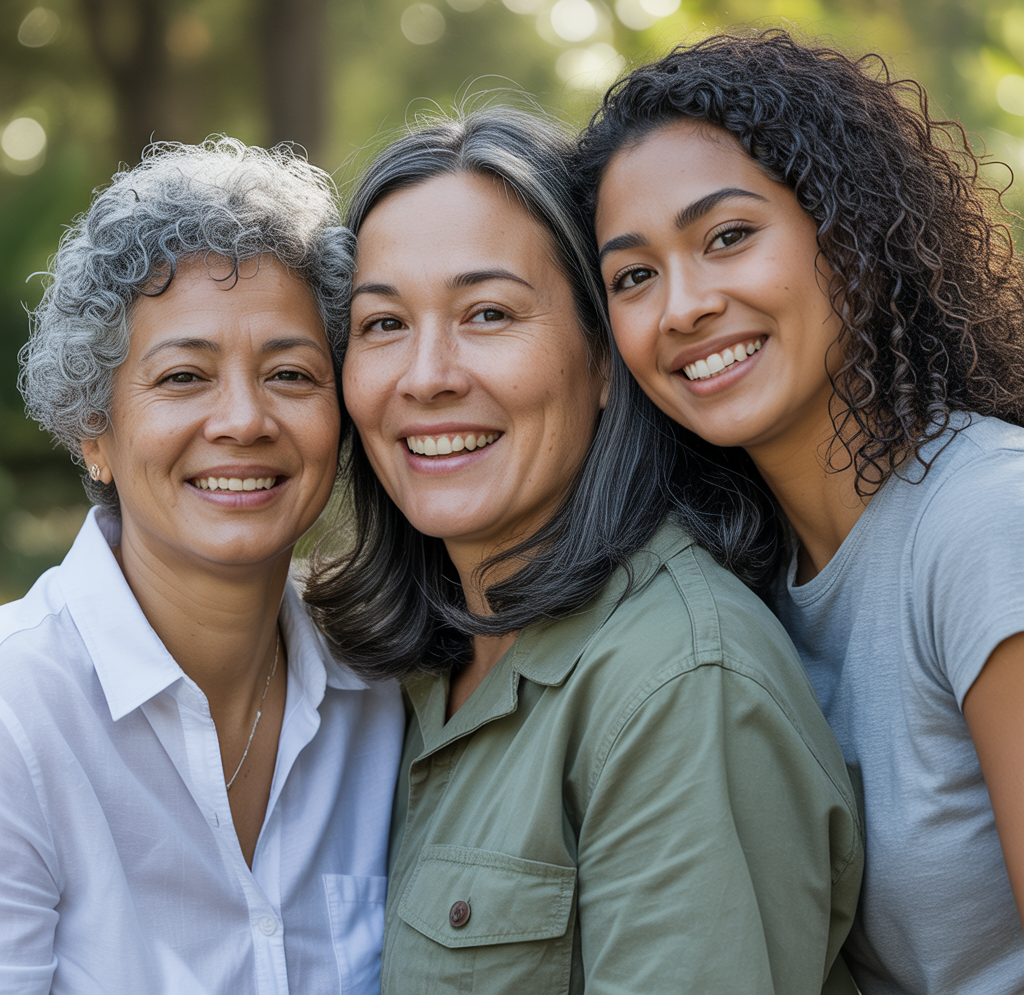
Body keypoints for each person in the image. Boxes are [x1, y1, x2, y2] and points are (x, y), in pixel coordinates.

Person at [303, 108, 863, 995]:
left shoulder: (677, 686)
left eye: (488, 313)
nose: (426, 375)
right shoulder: (395, 677)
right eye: (383, 324)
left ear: (604, 359)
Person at [577, 30, 1024, 994]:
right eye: (634, 276)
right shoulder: (742, 580)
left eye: (728, 236)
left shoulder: (988, 518)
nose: (683, 307)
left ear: (850, 233)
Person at [3, 138, 403, 994]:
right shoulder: (16, 716)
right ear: (94, 430)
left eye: (291, 373)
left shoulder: (388, 689)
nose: (244, 420)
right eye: (184, 376)